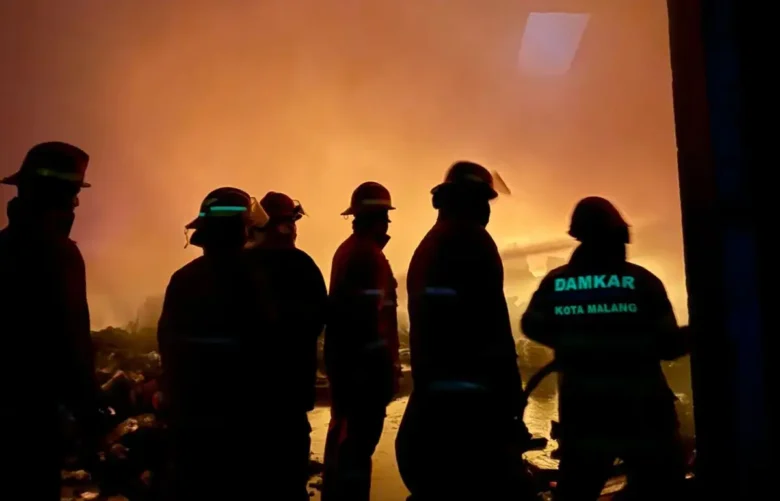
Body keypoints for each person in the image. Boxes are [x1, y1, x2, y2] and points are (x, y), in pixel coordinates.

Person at [521, 196, 689, 501]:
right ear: (618, 237)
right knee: (663, 488)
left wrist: (573, 342)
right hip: (643, 412)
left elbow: (531, 325)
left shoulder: (557, 283)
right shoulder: (641, 282)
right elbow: (668, 346)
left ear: (579, 237)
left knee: (577, 491)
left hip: (584, 413)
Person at [396, 161, 534, 500]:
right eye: (484, 201)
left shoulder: (430, 244)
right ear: (471, 200)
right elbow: (493, 327)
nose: (487, 210)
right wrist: (510, 398)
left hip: (431, 416)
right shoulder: (472, 241)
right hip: (469, 421)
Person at [157, 187, 278, 500]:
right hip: (241, 427)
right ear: (239, 229)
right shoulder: (253, 279)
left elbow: (170, 349)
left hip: (191, 425)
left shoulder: (182, 280)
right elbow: (266, 352)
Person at [0, 141, 101, 500]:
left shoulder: (3, 247)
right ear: (59, 196)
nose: (76, 203)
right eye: (73, 193)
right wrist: (89, 417)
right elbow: (72, 340)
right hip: (32, 419)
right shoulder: (60, 254)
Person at [322, 182, 401, 501]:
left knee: (345, 454)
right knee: (354, 457)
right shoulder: (367, 257)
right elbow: (370, 324)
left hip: (349, 379)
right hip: (363, 382)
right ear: (381, 218)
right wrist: (386, 375)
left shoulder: (350, 251)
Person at [246, 190, 328, 498]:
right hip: (290, 393)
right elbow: (320, 318)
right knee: (289, 479)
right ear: (283, 225)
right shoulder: (301, 265)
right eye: (292, 222)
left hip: (247, 397)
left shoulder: (240, 264)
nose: (295, 228)